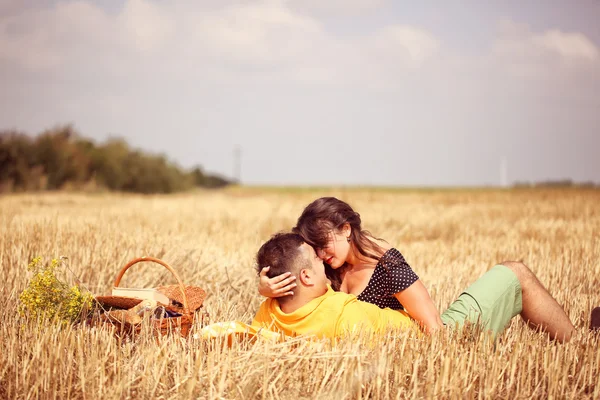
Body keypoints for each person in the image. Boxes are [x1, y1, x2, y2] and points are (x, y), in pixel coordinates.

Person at [259, 197, 578, 342]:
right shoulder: (328, 268)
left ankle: (577, 343)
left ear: (345, 229)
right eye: (314, 248)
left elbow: (434, 328)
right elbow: (293, 272)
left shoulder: (387, 263)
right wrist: (267, 289)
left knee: (515, 271)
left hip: (443, 335)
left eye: (323, 243)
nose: (321, 254)